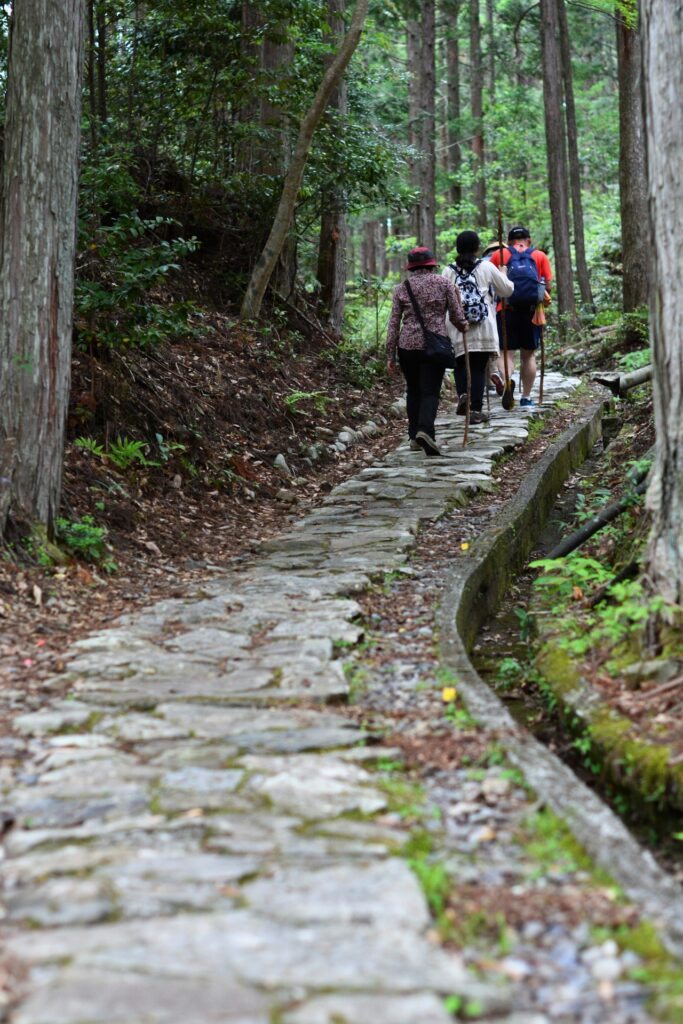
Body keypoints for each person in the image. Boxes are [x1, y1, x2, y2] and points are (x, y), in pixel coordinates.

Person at [386, 246, 468, 456]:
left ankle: (414, 436)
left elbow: (394, 324)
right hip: (435, 345)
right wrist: (463, 326)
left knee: (413, 390)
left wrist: (390, 355)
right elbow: (457, 316)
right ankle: (425, 431)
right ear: (432, 264)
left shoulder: (402, 288)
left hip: (407, 346)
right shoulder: (444, 283)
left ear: (411, 267)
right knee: (430, 390)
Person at [443, 230, 514, 424]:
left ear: (457, 248)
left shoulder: (448, 271)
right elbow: (507, 289)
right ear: (476, 248)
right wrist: (503, 274)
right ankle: (475, 409)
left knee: (460, 363)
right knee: (477, 368)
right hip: (483, 326)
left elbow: (443, 299)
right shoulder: (486, 267)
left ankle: (462, 396)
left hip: (458, 326)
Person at [489, 225, 553, 408]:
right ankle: (526, 398)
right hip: (532, 312)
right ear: (529, 240)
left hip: (505, 310)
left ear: (509, 242)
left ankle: (507, 380)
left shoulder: (499, 255)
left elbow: (491, 283)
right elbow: (547, 285)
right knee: (528, 355)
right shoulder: (539, 256)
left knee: (506, 353)